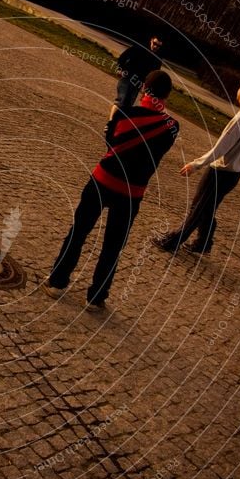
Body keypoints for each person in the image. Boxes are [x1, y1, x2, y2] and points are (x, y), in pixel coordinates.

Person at [44, 71, 180, 311]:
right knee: (113, 246)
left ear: (144, 89)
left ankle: (57, 281)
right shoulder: (171, 126)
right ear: (167, 95)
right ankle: (96, 296)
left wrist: (112, 118)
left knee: (79, 232)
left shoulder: (125, 113)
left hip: (102, 179)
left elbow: (110, 143)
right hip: (132, 192)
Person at [153, 78, 240, 254]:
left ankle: (173, 241)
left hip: (221, 172)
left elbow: (221, 148)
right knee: (207, 207)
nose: (238, 89)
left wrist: (196, 164)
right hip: (234, 173)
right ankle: (203, 243)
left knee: (198, 207)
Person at [108, 36, 163, 124]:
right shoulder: (139, 48)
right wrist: (119, 68)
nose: (156, 47)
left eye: (158, 46)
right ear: (151, 40)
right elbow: (123, 56)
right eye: (155, 43)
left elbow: (154, 75)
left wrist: (147, 88)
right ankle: (110, 124)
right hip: (127, 77)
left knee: (128, 105)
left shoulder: (157, 59)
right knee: (121, 100)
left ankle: (117, 124)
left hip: (138, 83)